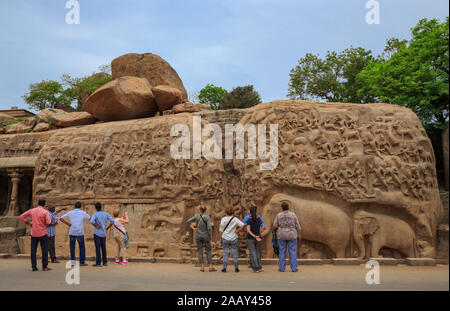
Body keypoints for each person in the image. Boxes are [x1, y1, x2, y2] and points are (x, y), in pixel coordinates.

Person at [19, 199, 51, 271]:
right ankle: (44, 266)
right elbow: (48, 222)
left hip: (33, 233)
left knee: (33, 251)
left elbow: (21, 216)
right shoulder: (45, 212)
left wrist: (28, 223)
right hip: (43, 233)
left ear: (38, 203)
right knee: (44, 250)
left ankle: (34, 266)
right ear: (44, 204)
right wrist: (44, 224)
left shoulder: (32, 210)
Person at [186, 204, 216, 272]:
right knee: (208, 250)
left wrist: (193, 228)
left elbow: (188, 222)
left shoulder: (196, 216)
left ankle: (202, 267)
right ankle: (210, 266)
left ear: (199, 210)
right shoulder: (207, 217)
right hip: (206, 235)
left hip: (198, 235)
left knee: (200, 251)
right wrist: (210, 236)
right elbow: (209, 228)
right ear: (206, 210)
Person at [273, 202, 302, 272]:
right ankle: (294, 268)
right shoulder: (293, 215)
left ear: (282, 208)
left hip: (281, 235)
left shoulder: (279, 215)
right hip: (292, 234)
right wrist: (298, 233)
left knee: (282, 251)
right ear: (288, 207)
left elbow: (274, 225)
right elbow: (298, 226)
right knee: (292, 251)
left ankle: (282, 268)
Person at [60, 201, 90, 267]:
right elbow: (89, 217)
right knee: (82, 247)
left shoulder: (70, 212)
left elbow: (61, 218)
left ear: (74, 206)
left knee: (72, 248)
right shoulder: (82, 212)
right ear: (80, 206)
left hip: (72, 232)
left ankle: (73, 263)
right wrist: (87, 210)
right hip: (80, 232)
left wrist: (68, 224)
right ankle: (82, 262)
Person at [219, 205, 244, 273]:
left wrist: (221, 238)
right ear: (233, 211)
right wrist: (237, 231)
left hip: (225, 237)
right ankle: (236, 267)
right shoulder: (235, 219)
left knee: (225, 253)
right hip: (234, 237)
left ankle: (224, 267)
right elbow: (242, 225)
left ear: (225, 211)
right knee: (234, 252)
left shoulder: (223, 219)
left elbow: (221, 230)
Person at [90, 202, 115, 267]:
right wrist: (107, 228)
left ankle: (98, 263)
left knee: (98, 248)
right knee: (103, 248)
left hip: (97, 233)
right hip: (104, 233)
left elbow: (91, 221)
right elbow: (112, 221)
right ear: (101, 207)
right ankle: (105, 262)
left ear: (95, 208)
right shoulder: (106, 214)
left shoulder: (95, 214)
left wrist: (96, 226)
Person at [246, 205, 265, 273]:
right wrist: (259, 234)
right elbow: (263, 227)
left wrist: (254, 236)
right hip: (258, 237)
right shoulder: (259, 219)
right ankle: (259, 267)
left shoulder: (249, 220)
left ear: (250, 212)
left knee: (253, 253)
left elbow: (248, 230)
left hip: (251, 238)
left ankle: (256, 268)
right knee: (258, 253)